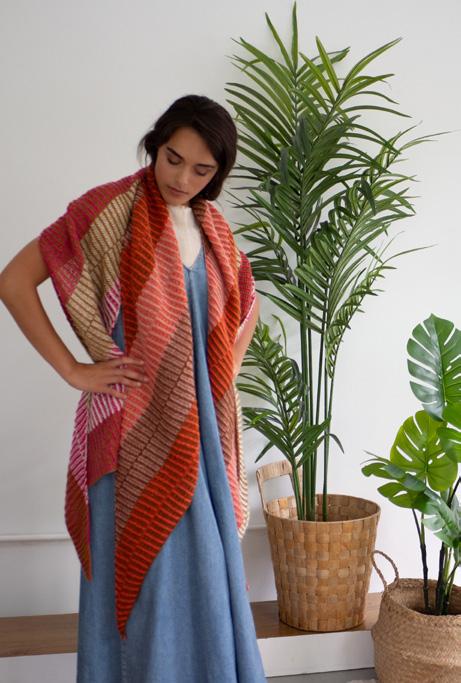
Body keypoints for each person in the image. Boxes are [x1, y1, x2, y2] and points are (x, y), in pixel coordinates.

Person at [0, 94, 266, 682]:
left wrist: (217, 378)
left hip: (202, 439)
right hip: (129, 432)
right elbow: (14, 281)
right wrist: (74, 370)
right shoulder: (107, 212)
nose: (182, 179)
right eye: (173, 158)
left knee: (203, 573)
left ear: (218, 175)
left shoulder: (215, 231)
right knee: (142, 580)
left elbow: (244, 309)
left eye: (202, 170)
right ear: (155, 144)